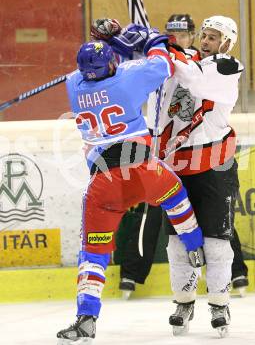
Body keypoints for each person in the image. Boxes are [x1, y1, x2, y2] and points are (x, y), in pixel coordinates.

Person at [56, 30, 205, 343]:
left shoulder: (73, 85)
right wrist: (153, 40)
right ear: (109, 65)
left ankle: (86, 317)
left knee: (93, 254)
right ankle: (195, 248)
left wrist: (107, 44)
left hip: (104, 185)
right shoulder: (126, 82)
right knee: (176, 196)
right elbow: (162, 63)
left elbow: (93, 68)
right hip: (144, 172)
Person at [119, 0, 249, 306]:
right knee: (175, 233)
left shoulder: (221, 66)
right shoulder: (171, 61)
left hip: (212, 159)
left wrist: (166, 49)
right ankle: (175, 294)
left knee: (218, 230)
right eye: (203, 35)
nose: (202, 40)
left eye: (209, 35)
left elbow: (193, 72)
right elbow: (145, 40)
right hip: (172, 159)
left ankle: (231, 280)